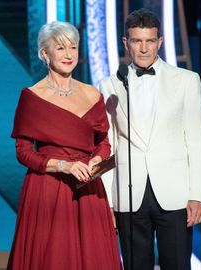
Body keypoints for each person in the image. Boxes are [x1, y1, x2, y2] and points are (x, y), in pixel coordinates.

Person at [99, 8, 201, 270]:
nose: (144, 48)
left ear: (160, 41)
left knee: (177, 265)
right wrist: (107, 200)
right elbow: (108, 144)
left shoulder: (186, 81)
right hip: (128, 194)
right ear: (126, 43)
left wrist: (198, 194)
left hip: (175, 193)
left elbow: (197, 140)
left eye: (150, 41)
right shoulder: (110, 85)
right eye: (137, 41)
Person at [7, 21, 121, 270]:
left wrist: (96, 160)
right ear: (45, 54)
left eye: (73, 47)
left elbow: (103, 143)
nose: (69, 54)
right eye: (60, 48)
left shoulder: (93, 94)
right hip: (48, 189)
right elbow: (23, 153)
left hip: (88, 188)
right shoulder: (32, 97)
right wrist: (63, 166)